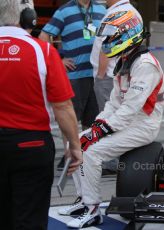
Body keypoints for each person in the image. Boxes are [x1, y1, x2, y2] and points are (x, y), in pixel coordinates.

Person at [58, 10, 164, 228]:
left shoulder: (145, 65)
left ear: (127, 35)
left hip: (144, 125)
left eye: (111, 37)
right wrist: (97, 126)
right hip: (128, 121)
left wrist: (99, 132)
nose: (107, 42)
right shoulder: (125, 60)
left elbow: (130, 109)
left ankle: (93, 209)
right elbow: (113, 104)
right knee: (76, 141)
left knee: (91, 153)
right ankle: (82, 199)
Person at [0, 1, 83, 229]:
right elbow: (63, 107)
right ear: (29, 17)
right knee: (30, 219)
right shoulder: (44, 50)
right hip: (31, 145)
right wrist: (74, 146)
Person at [38, 0, 106, 170]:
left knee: (94, 119)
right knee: (71, 119)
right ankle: (69, 155)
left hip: (95, 74)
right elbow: (44, 37)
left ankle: (89, 155)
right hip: (75, 76)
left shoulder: (100, 9)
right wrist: (58, 61)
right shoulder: (64, 11)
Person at [91, 0, 142, 175]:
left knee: (109, 117)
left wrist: (100, 75)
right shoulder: (133, 12)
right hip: (122, 72)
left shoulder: (114, 15)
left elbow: (106, 47)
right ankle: (120, 158)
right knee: (121, 116)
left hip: (109, 75)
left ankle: (112, 161)